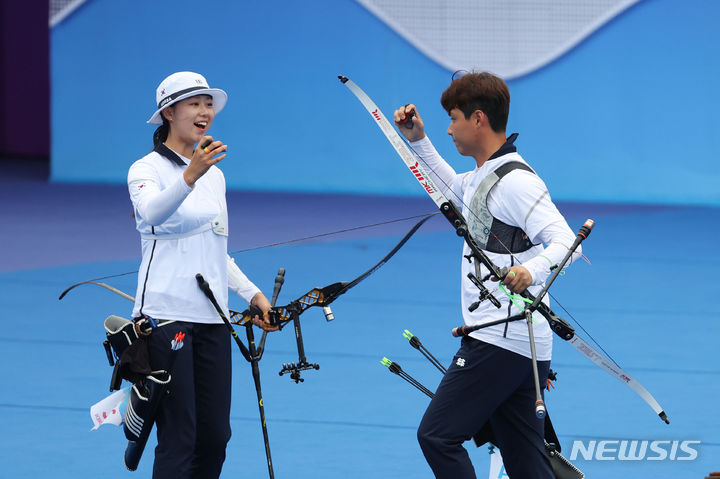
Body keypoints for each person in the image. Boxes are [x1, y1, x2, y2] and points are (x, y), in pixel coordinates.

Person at [393, 72, 582, 478]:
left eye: (454, 118)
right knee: (527, 461)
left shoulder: (516, 182)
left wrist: (529, 271)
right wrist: (417, 139)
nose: (448, 128)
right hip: (516, 341)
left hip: (502, 339)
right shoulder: (486, 173)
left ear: (478, 119)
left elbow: (568, 242)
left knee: (438, 436)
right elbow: (451, 190)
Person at [127, 71, 274, 478]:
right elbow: (151, 217)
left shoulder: (216, 175)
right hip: (165, 318)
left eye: (208, 104)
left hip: (212, 319)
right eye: (194, 104)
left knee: (214, 437)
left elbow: (216, 248)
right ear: (169, 113)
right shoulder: (145, 169)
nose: (205, 112)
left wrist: (252, 293)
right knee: (179, 437)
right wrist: (191, 175)